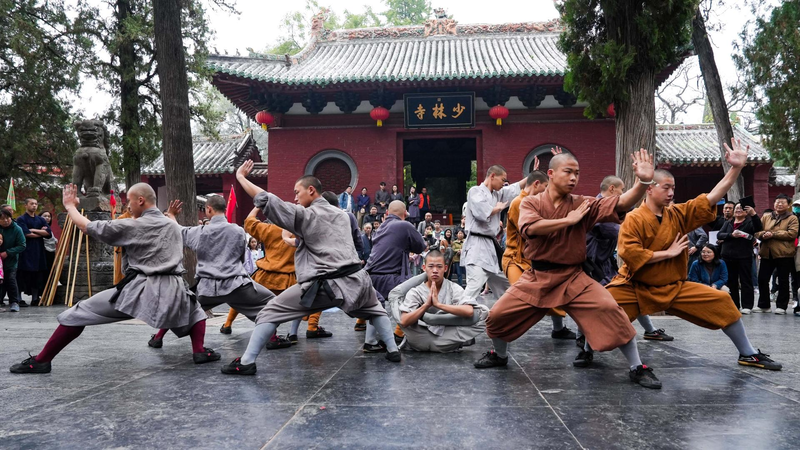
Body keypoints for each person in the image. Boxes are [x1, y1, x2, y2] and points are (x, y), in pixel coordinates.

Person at [477, 149, 663, 390]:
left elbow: (622, 202)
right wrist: (569, 220)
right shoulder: (531, 202)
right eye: (568, 172)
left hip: (573, 276)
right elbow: (531, 228)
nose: (574, 177)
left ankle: (637, 367)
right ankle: (499, 356)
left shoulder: (582, 204)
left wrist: (643, 181)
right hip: (537, 277)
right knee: (498, 315)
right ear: (551, 174)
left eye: (577, 173)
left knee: (610, 309)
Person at [606, 140, 782, 376]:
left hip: (675, 286)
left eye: (673, 188)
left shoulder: (678, 213)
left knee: (721, 301)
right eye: (666, 188)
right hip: (636, 286)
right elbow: (630, 253)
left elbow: (711, 197)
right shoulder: (634, 218)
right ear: (649, 188)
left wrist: (736, 168)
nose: (671, 193)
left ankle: (748, 353)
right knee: (605, 308)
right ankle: (631, 364)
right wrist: (667, 253)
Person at [10, 183, 217, 374]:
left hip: (144, 288)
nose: (128, 206)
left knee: (78, 313)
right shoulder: (172, 226)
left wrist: (70, 206)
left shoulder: (134, 225)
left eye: (129, 201)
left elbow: (87, 227)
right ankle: (198, 350)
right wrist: (171, 215)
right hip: (175, 287)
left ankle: (42, 360)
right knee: (195, 310)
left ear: (140, 201)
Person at [221, 161, 401, 375]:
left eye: (297, 192)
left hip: (327, 284)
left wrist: (241, 178)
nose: (295, 197)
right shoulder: (344, 216)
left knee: (269, 312)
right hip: (358, 281)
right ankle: (392, 350)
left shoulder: (307, 215)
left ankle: (247, 362)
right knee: (376, 309)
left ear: (311, 190)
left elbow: (267, 200)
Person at [146, 195, 277, 348]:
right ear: (225, 209)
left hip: (207, 288)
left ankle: (158, 338)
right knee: (272, 302)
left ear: (208, 209)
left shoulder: (200, 232)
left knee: (182, 308)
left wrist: (172, 216)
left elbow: (179, 231)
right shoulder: (238, 231)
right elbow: (241, 256)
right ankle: (273, 338)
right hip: (236, 284)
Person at [586, 176, 673, 343]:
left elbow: (629, 212)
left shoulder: (612, 207)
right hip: (592, 266)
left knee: (630, 293)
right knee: (596, 302)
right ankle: (586, 340)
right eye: (622, 190)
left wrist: (638, 188)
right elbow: (623, 230)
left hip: (604, 263)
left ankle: (649, 330)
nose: (624, 194)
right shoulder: (599, 208)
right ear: (612, 189)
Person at [503, 169, 575, 340]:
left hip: (533, 259)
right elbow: (528, 230)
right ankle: (503, 328)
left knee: (552, 291)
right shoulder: (519, 203)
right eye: (544, 188)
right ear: (536, 184)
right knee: (521, 295)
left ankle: (558, 329)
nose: (546, 193)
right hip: (515, 259)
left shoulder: (534, 202)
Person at [392, 250, 488, 352]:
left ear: (445, 268)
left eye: (439, 266)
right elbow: (404, 321)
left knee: (484, 313)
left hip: (446, 335)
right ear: (424, 268)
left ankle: (432, 322)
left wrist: (439, 305)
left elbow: (469, 311)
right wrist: (426, 306)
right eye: (431, 266)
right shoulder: (416, 291)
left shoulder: (453, 287)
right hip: (420, 336)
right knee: (395, 299)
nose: (435, 270)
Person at [461, 165, 526, 305]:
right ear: (492, 176)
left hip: (491, 248)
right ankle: (457, 320)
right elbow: (481, 213)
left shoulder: (497, 194)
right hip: (477, 246)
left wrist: (532, 176)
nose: (504, 183)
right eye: (502, 179)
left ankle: (506, 319)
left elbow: (515, 187)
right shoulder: (475, 191)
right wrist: (497, 208)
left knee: (508, 288)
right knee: (473, 288)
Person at [365, 200, 427, 345]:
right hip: (391, 276)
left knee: (375, 307)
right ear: (405, 213)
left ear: (387, 213)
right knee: (415, 296)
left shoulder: (380, 227)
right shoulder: (404, 225)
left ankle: (370, 341)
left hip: (370, 275)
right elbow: (420, 247)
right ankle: (399, 334)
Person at [754, 193, 798, 314]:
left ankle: (781, 306)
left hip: (784, 253)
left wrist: (773, 234)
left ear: (788, 205)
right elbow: (757, 231)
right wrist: (763, 234)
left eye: (782, 202)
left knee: (782, 280)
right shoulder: (766, 216)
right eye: (777, 202)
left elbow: (792, 234)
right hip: (766, 253)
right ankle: (764, 305)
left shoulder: (792, 218)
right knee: (762, 279)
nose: (779, 204)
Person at [718, 203, 761, 312]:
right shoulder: (728, 223)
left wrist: (754, 214)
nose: (738, 210)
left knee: (746, 280)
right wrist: (731, 235)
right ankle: (734, 304)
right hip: (728, 256)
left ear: (746, 212)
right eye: (736, 208)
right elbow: (720, 235)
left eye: (741, 209)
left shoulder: (749, 223)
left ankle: (747, 306)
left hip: (744, 256)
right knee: (731, 281)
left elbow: (759, 228)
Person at [16, 198, 51, 306]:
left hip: (39, 251)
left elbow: (48, 233)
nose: (34, 206)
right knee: (22, 275)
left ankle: (35, 298)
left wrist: (34, 230)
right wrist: (40, 233)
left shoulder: (40, 220)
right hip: (25, 251)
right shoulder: (21, 219)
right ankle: (19, 298)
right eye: (32, 204)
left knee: (37, 275)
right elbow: (26, 234)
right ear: (26, 205)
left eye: (36, 204)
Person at [0, 211, 25, 312]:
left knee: (11, 279)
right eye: (2, 219)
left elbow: (22, 245)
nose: (6, 220)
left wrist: (8, 252)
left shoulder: (17, 229)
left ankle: (14, 302)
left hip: (11, 260)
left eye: (8, 218)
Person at [41, 211, 57, 279]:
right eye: (45, 216)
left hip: (51, 251)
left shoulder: (49, 228)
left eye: (49, 216)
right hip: (43, 251)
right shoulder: (40, 228)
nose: (47, 218)